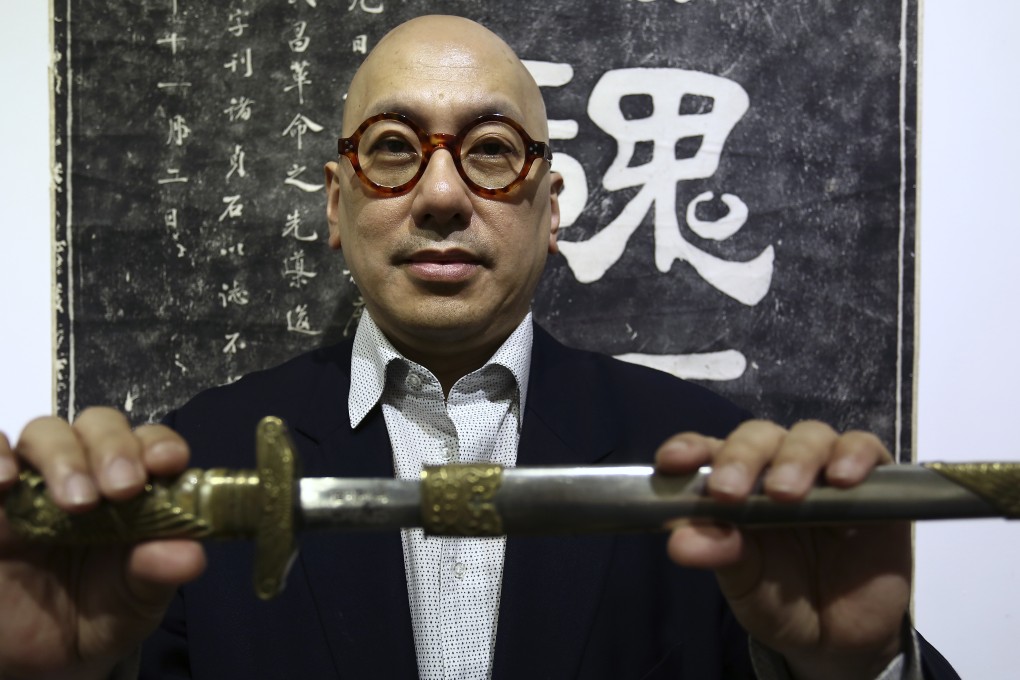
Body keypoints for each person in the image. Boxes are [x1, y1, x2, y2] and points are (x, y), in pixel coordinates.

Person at [0, 14, 957, 680]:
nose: (445, 194)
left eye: (493, 150)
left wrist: (854, 671)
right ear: (336, 206)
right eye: (391, 149)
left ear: (552, 212)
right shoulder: (187, 476)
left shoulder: (709, 464)